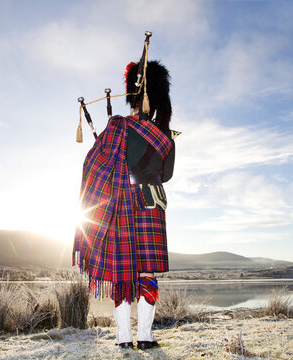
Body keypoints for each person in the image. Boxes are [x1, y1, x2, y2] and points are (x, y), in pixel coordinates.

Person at [73, 60, 178, 350]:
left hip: (120, 203)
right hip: (151, 204)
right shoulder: (166, 137)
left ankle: (123, 338)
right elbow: (166, 176)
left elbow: (92, 164)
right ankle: (145, 336)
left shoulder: (115, 128)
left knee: (121, 274)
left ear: (131, 97)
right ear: (156, 101)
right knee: (147, 272)